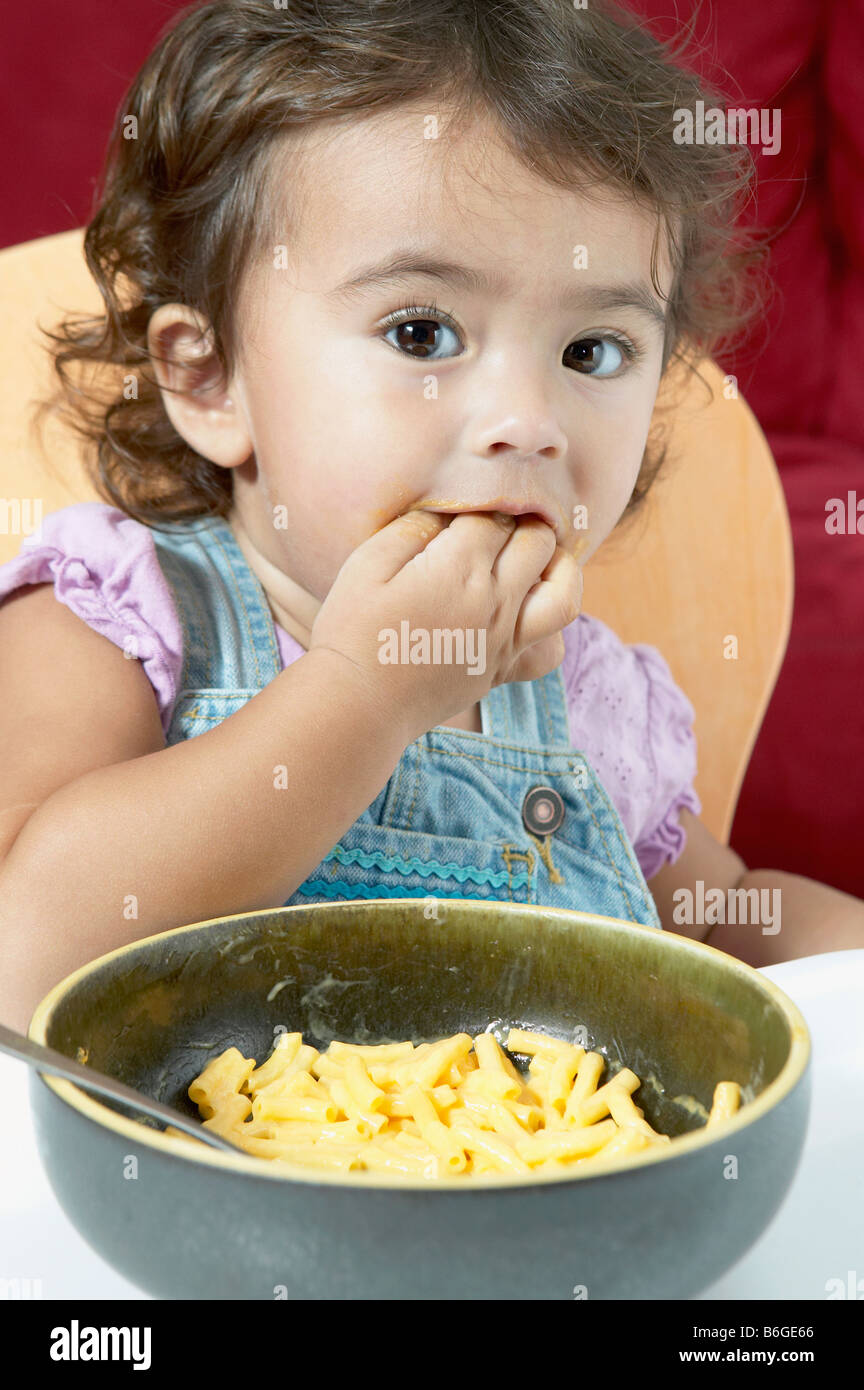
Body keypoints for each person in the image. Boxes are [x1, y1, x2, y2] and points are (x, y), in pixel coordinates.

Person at [1, 0, 861, 1031]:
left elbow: (721, 929)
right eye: (422, 331)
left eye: (593, 352)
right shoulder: (123, 621)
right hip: (180, 1191)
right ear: (212, 377)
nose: (526, 421)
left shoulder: (584, 698)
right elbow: (25, 959)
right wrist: (366, 697)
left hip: (531, 1193)